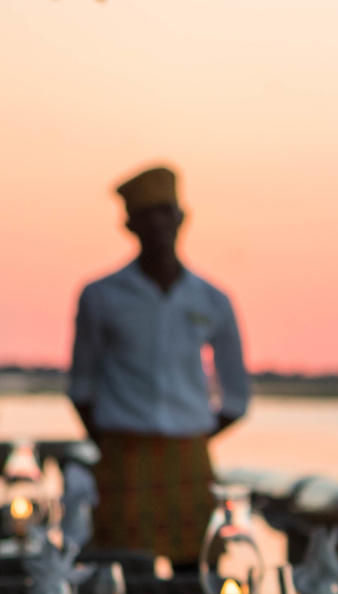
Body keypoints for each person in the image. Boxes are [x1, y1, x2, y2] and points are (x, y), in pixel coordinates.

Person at [67, 164, 250, 562]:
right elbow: (81, 386)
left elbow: (237, 397)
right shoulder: (101, 296)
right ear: (130, 224)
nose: (157, 224)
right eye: (146, 214)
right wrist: (116, 443)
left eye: (165, 211)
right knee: (121, 575)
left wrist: (191, 434)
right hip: (122, 454)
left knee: (196, 577)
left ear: (181, 218)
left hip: (189, 457)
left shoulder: (213, 300)